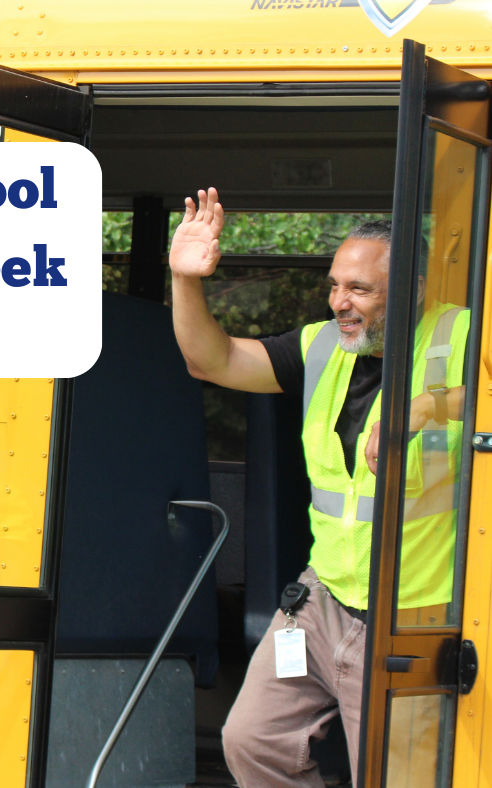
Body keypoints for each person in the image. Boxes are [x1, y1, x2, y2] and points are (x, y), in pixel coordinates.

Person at [169, 188, 468, 787]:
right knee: (253, 741)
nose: (339, 302)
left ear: (411, 285)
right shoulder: (323, 345)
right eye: (334, 285)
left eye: (359, 289)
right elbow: (214, 360)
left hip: (411, 613)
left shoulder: (462, 334)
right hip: (322, 597)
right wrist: (184, 280)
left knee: (388, 776)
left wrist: (427, 407)